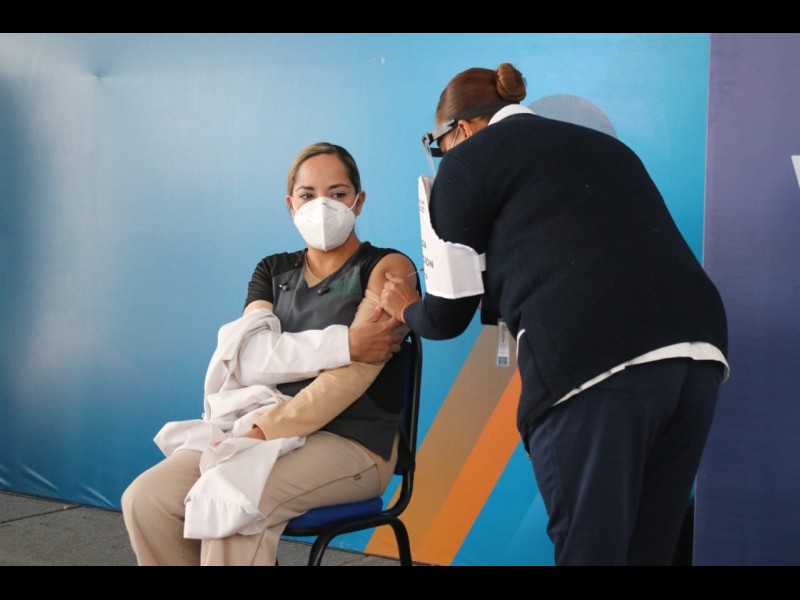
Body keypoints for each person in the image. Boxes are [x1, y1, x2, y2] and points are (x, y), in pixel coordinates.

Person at [379, 63, 729, 566]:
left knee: (591, 550)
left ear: (463, 129)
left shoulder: (469, 160)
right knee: (649, 547)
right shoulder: (605, 147)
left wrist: (404, 307)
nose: (442, 157)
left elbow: (446, 317)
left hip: (596, 357)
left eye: (440, 145)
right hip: (699, 351)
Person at [121, 142, 417, 566]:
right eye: (307, 195)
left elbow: (349, 377)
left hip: (353, 443)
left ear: (359, 200)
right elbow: (250, 358)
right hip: (259, 426)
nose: (322, 206)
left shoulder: (388, 269)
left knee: (231, 502)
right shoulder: (273, 270)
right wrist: (345, 343)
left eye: (337, 193)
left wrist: (264, 431)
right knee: (147, 498)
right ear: (290, 204)